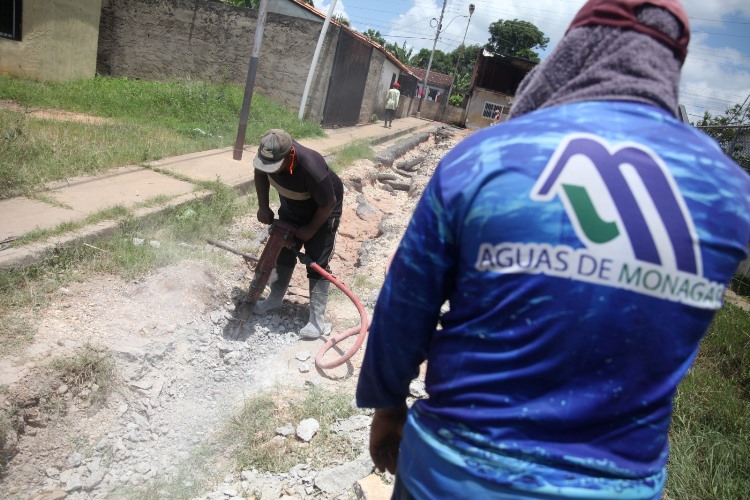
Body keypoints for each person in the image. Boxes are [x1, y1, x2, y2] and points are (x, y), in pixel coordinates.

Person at [356, 0, 750, 499]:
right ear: (671, 66)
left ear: (573, 54)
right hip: (620, 483)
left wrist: (388, 406)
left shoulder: (485, 156)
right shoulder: (730, 193)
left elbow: (404, 304)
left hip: (457, 471)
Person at [252, 129, 343, 340]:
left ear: (290, 155)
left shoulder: (311, 168)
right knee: (283, 250)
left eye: (275, 166)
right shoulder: (267, 155)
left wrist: (310, 230)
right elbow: (259, 173)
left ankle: (316, 320)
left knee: (316, 261)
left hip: (323, 211)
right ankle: (274, 299)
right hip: (292, 206)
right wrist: (263, 206)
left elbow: (328, 203)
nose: (270, 169)